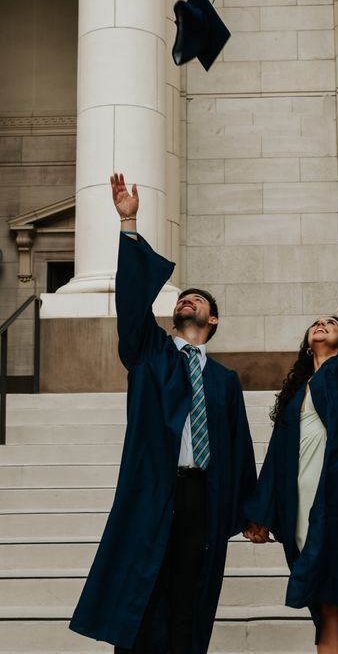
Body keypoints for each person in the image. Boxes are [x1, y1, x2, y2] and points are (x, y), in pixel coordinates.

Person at [69, 173, 257, 654]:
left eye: (198, 299)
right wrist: (128, 223)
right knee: (143, 583)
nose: (186, 299)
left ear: (212, 319)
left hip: (201, 492)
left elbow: (239, 448)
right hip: (154, 485)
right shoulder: (149, 351)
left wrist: (252, 510)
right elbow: (132, 306)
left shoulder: (224, 380)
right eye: (181, 297)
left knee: (189, 591)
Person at [243, 216, 338, 654]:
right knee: (325, 609)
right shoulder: (294, 397)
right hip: (303, 509)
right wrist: (261, 512)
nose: (322, 324)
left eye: (332, 323)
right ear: (307, 342)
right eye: (316, 323)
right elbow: (276, 459)